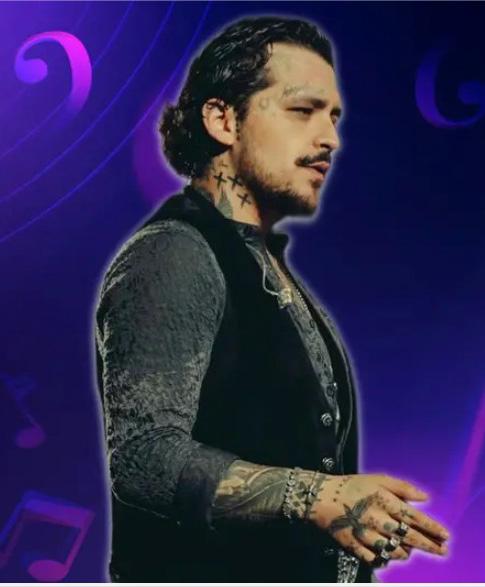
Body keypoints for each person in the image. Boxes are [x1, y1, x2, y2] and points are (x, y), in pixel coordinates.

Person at [94, 16, 449, 583]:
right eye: (303, 110)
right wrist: (316, 496)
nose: (330, 139)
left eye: (333, 118)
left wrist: (354, 526)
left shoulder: (266, 262)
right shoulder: (174, 254)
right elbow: (144, 457)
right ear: (222, 119)